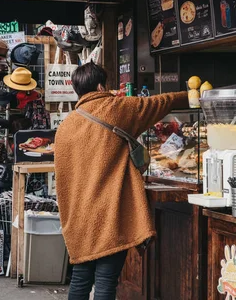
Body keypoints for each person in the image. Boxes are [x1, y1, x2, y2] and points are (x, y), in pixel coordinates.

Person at [54, 63, 187, 300]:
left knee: (81, 277)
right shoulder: (115, 108)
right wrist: (194, 96)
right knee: (106, 280)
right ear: (100, 85)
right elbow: (159, 102)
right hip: (109, 213)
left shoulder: (66, 126)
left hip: (78, 216)